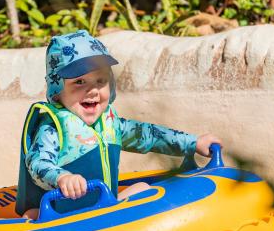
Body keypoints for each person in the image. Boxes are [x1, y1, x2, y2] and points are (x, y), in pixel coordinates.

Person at [15, 30, 221, 220]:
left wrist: (193, 143)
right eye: (79, 82)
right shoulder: (52, 128)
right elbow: (38, 164)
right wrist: (62, 178)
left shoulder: (110, 124)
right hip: (60, 216)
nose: (93, 91)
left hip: (104, 208)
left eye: (100, 81)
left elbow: (149, 136)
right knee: (32, 215)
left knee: (141, 188)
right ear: (57, 90)